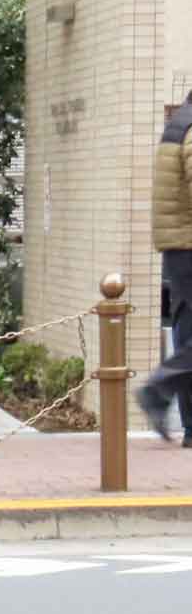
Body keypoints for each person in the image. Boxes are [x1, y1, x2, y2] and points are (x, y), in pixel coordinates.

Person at [140, 90, 192, 443]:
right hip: (189, 245)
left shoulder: (179, 123)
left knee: (187, 336)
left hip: (178, 248)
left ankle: (190, 427)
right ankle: (158, 388)